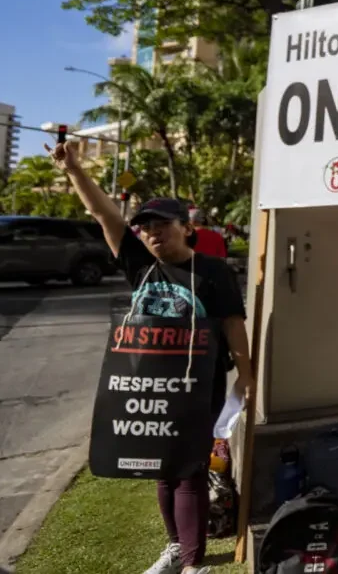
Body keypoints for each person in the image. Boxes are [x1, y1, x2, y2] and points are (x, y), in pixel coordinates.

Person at [49, 141, 251, 574]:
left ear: (186, 228)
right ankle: (176, 548)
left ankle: (194, 562)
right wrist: (75, 172)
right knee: (161, 469)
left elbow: (233, 324)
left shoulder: (213, 271)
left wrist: (246, 376)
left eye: (162, 225)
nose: (152, 234)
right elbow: (105, 214)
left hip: (199, 386)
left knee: (190, 468)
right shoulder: (141, 266)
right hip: (149, 385)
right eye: (145, 228)